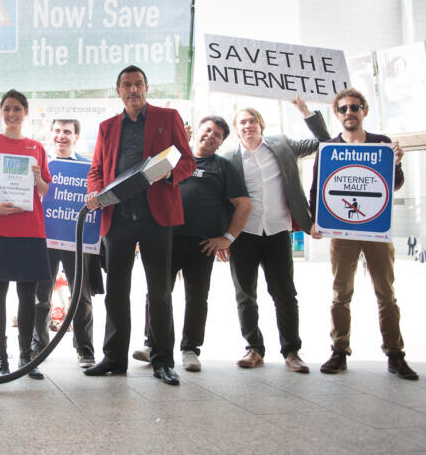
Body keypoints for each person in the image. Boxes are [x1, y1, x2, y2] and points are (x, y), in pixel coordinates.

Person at [84, 65, 195, 386]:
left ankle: (162, 359)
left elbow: (187, 161)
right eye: (126, 85)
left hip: (156, 217)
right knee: (116, 292)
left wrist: (169, 174)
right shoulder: (107, 127)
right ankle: (115, 358)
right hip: (117, 218)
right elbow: (96, 170)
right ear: (118, 91)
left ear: (147, 88)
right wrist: (94, 192)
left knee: (159, 292)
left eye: (138, 84)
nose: (133, 90)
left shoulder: (167, 118)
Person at [305, 88, 418, 380]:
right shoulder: (328, 147)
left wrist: (395, 162)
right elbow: (318, 187)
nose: (349, 113)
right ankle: (339, 351)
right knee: (340, 293)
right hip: (342, 230)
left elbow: (394, 185)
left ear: (364, 110)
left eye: (354, 107)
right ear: (337, 114)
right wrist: (314, 221)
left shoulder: (382, 144)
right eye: (343, 109)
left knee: (386, 294)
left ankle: (395, 355)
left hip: (376, 230)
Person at [132, 116, 251, 372]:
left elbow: (244, 204)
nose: (211, 135)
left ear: (221, 143)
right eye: (207, 129)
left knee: (197, 297)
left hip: (202, 244)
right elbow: (145, 177)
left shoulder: (223, 167)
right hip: (166, 239)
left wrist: (227, 238)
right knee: (157, 293)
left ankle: (190, 349)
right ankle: (152, 343)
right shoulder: (174, 161)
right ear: (196, 131)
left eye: (218, 134)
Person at [222, 98, 329, 373]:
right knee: (245, 294)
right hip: (244, 234)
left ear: (261, 124)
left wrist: (307, 114)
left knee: (285, 294)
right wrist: (223, 236)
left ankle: (292, 352)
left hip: (279, 231)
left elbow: (324, 143)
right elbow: (219, 201)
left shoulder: (282, 145)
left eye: (252, 120)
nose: (248, 125)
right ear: (236, 129)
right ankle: (254, 349)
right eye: (242, 122)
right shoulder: (228, 160)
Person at [0, 89, 51, 379]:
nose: (12, 114)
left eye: (17, 108)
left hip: (30, 228)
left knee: (27, 294)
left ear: (25, 112)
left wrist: (39, 177)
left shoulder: (36, 148)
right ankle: (0, 357)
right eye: (7, 109)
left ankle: (27, 358)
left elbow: (43, 190)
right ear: (1, 112)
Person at [32, 119, 100, 369]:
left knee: (80, 296)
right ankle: (37, 347)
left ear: (76, 136)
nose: (62, 136)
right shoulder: (39, 165)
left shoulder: (88, 167)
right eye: (57, 131)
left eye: (67, 132)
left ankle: (85, 348)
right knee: (40, 296)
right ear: (51, 134)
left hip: (76, 240)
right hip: (44, 240)